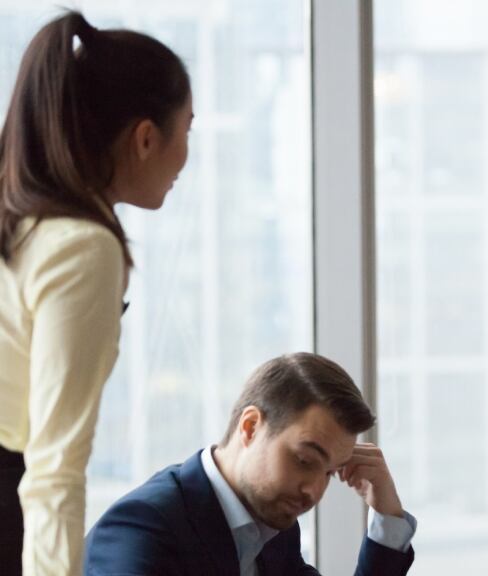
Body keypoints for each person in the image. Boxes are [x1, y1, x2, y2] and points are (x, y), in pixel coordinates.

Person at [0, 10, 192, 576]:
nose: (186, 156)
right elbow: (54, 464)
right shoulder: (82, 248)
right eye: (187, 130)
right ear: (145, 138)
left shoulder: (21, 220)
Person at [84, 352, 416, 575]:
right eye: (304, 460)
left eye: (330, 473)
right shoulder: (141, 528)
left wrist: (387, 517)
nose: (314, 491)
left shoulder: (275, 527)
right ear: (250, 427)